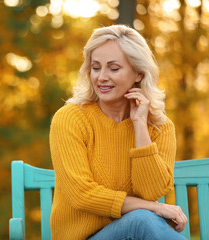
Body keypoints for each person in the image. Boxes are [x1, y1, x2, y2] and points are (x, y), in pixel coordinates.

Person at [49, 25, 188, 240]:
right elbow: (81, 195)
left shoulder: (160, 127)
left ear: (138, 73)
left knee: (141, 220)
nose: (102, 77)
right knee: (141, 219)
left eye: (113, 69)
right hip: (83, 237)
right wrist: (153, 207)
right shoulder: (70, 118)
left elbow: (151, 192)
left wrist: (139, 124)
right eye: (96, 68)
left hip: (138, 232)